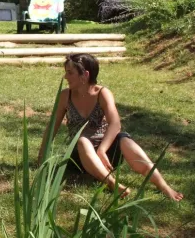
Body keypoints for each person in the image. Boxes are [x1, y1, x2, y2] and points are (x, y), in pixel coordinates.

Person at [38, 53, 183, 201]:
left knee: (125, 140)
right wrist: (41, 156)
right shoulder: (65, 96)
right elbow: (52, 127)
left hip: (105, 154)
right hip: (79, 156)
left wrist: (102, 150)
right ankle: (112, 184)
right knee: (82, 140)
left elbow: (115, 124)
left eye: (70, 72)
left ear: (85, 75)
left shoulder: (102, 93)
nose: (65, 77)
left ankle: (164, 186)